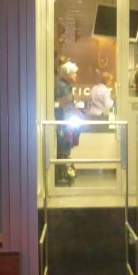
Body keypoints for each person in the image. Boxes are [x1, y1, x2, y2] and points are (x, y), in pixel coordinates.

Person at [54, 58, 80, 186]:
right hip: (64, 123)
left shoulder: (64, 85)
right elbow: (65, 106)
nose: (76, 75)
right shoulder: (63, 87)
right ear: (68, 73)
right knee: (64, 148)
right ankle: (63, 173)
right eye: (74, 73)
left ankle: (64, 172)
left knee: (65, 148)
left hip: (65, 122)